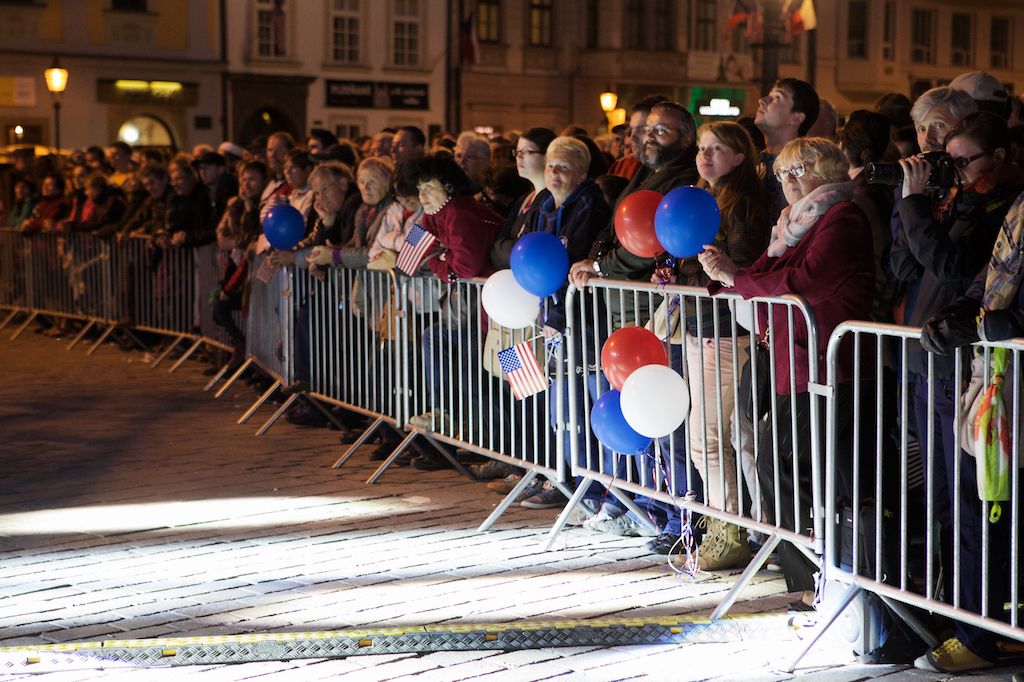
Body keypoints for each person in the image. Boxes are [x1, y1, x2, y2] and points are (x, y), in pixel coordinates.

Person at [698, 137, 875, 609]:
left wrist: (736, 279)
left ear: (829, 168)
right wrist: (722, 276)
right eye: (782, 173)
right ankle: (805, 575)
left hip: (828, 363)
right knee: (783, 462)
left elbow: (806, 280)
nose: (789, 180)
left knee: (809, 469)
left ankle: (821, 578)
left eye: (800, 168)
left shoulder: (843, 217)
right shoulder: (789, 224)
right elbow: (759, 269)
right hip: (792, 360)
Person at [892, 111, 1024, 635]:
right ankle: (961, 616)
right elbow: (962, 274)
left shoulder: (998, 201)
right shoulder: (975, 202)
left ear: (999, 158)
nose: (956, 169)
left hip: (985, 370)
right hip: (957, 362)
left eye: (965, 160)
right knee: (951, 500)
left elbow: (953, 265)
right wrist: (959, 315)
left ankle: (981, 630)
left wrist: (982, 323)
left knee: (977, 503)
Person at [647, 121, 770, 567]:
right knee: (713, 436)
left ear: (740, 157)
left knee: (711, 438)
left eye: (716, 148)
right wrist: (675, 274)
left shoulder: (745, 205)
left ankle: (730, 530)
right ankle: (732, 524)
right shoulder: (699, 197)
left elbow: (734, 266)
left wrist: (695, 270)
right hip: (699, 327)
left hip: (726, 330)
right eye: (701, 147)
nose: (704, 155)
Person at [916, 193, 1024, 673]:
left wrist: (1002, 323)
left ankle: (989, 635)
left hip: (1009, 376)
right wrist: (960, 313)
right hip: (994, 380)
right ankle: (979, 634)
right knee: (977, 514)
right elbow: (990, 274)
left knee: (995, 518)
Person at [755, 78, 821, 224]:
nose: (762, 100)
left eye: (777, 98)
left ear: (796, 118)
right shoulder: (753, 161)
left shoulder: (806, 171)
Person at [490, 127, 556, 269]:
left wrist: (508, 249)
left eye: (527, 152)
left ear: (547, 156)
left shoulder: (553, 200)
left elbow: (530, 253)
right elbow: (497, 247)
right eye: (518, 152)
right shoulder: (524, 199)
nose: (519, 157)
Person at [607, 95, 667, 182]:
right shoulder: (623, 166)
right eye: (631, 129)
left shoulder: (684, 177)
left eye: (642, 129)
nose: (632, 137)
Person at [282, 149, 315, 221]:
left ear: (307, 170)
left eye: (293, 167)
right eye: (285, 168)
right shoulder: (292, 195)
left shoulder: (312, 195)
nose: (287, 172)